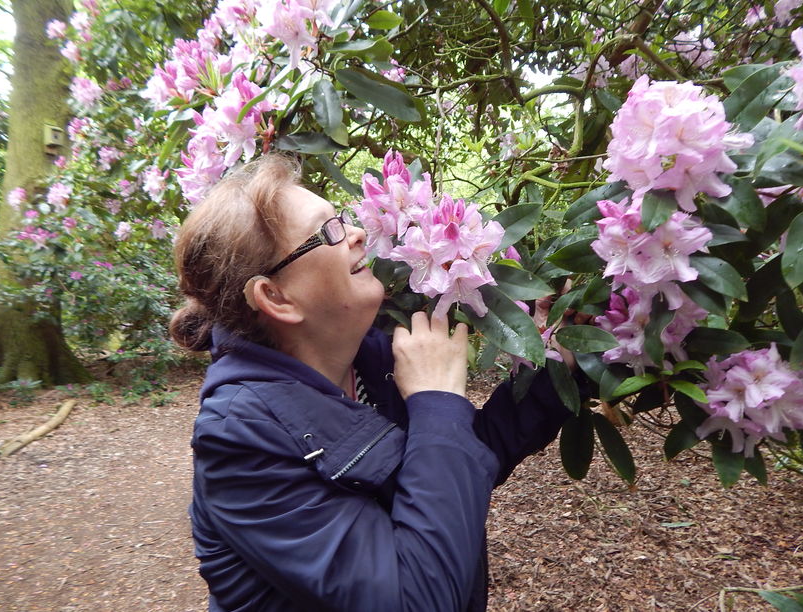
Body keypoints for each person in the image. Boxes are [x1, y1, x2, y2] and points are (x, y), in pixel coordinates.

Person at [170, 154, 586, 612]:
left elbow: (464, 464)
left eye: (343, 219)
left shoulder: (370, 356)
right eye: (326, 231)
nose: (358, 234)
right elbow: (415, 600)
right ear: (275, 296)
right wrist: (437, 404)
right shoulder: (240, 440)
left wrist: (553, 363)